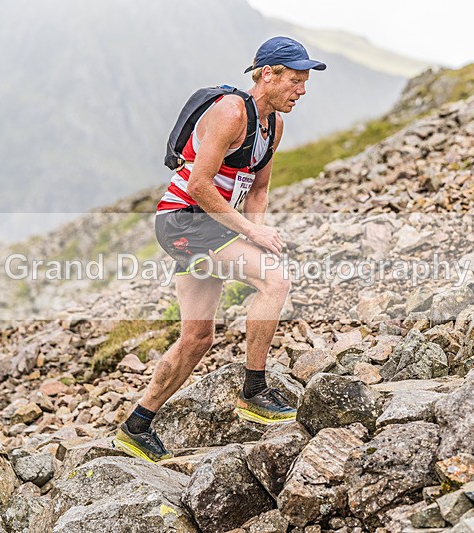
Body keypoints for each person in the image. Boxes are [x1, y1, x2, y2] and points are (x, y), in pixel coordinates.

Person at [113, 36, 326, 462]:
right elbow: (198, 184)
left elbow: (259, 190)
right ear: (268, 74)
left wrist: (255, 233)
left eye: (305, 82)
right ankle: (254, 391)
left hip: (211, 225)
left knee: (197, 338)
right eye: (296, 80)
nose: (302, 90)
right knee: (275, 280)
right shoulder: (231, 113)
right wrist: (251, 235)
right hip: (184, 220)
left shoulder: (274, 127)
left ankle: (137, 425)